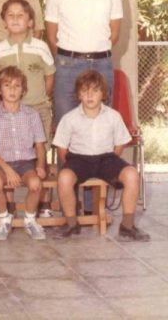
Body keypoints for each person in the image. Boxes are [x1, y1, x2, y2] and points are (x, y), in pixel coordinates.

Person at [53, 70, 149, 242]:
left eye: (95, 91)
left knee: (132, 175)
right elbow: (61, 147)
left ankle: (127, 226)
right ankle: (71, 223)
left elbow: (120, 142)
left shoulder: (113, 116)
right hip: (79, 159)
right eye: (85, 91)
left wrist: (112, 160)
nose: (89, 95)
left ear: (103, 94)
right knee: (64, 177)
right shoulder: (69, 118)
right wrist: (69, 165)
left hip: (106, 158)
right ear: (78, 95)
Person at [45, 0, 122, 124]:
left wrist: (96, 53)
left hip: (102, 65)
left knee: (102, 124)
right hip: (67, 67)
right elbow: (52, 37)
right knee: (65, 123)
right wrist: (68, 58)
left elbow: (114, 34)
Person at [0, 66, 47, 241]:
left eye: (17, 86)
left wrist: (41, 165)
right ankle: (4, 219)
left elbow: (39, 145)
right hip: (1, 163)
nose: (12, 90)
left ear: (23, 90)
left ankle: (30, 220)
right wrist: (7, 170)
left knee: (35, 184)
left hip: (25, 163)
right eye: (7, 85)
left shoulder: (32, 114)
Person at [0, 0, 55, 140]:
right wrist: (1, 98)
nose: (15, 19)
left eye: (20, 15)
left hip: (38, 107)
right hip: (10, 109)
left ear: (30, 22)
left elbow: (49, 76)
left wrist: (43, 98)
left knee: (41, 146)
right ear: (4, 22)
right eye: (10, 15)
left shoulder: (41, 47)